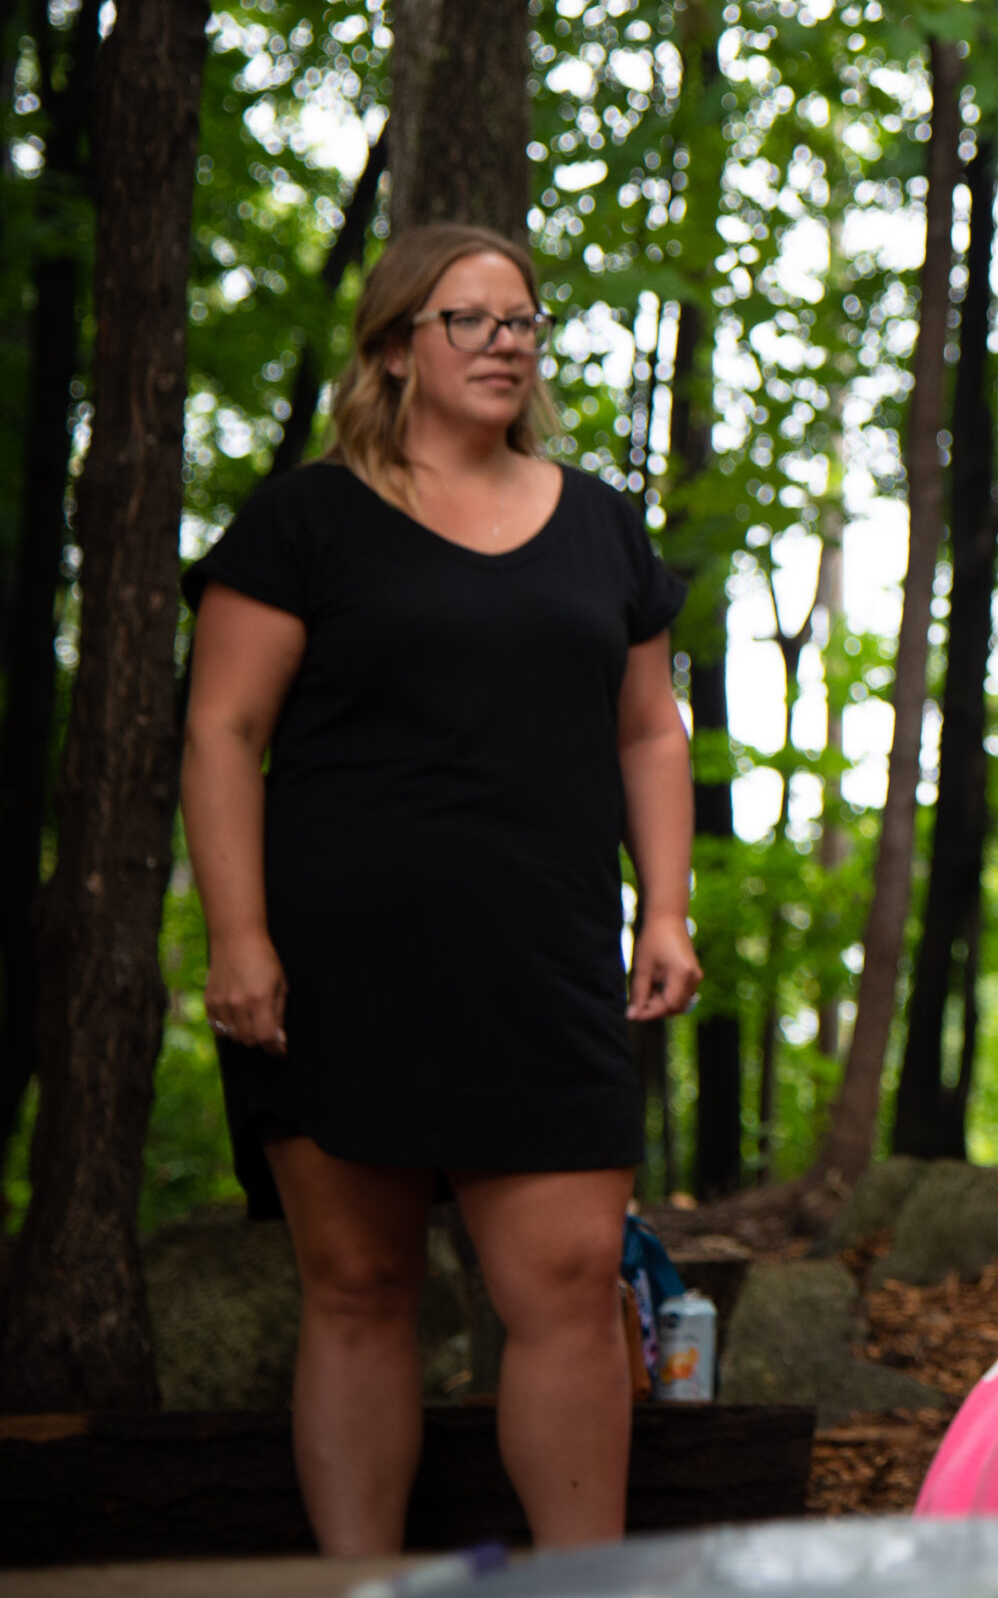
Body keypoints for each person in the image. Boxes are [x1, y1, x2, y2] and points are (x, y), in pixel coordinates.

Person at [183, 223, 701, 1554]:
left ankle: (585, 1587)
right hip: (344, 962)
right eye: (468, 320)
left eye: (521, 320)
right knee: (358, 1288)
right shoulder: (304, 520)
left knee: (573, 1284)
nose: (503, 343)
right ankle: (363, 1588)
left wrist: (670, 910)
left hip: (544, 961)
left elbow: (652, 729)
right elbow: (225, 730)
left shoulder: (597, 524)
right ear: (398, 348)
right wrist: (236, 937)